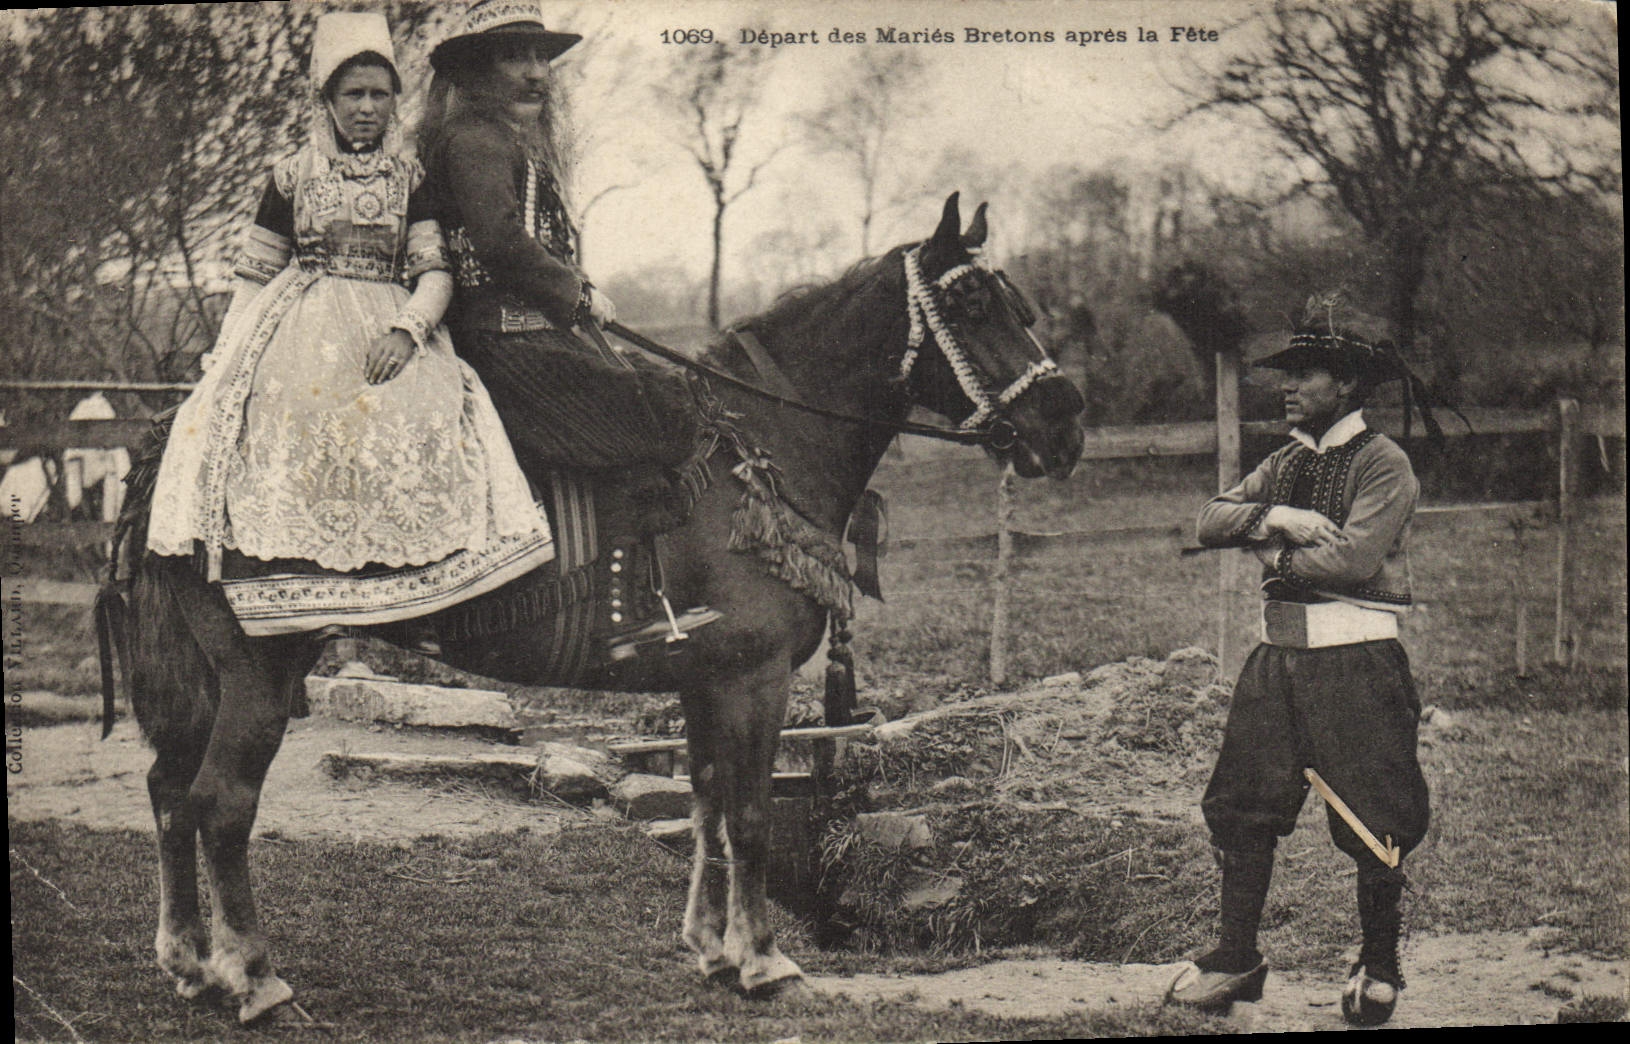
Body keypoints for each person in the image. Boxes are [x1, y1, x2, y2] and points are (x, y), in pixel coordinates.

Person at [146, 12, 553, 651]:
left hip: (390, 316)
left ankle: (410, 594)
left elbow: (435, 273)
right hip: (300, 319)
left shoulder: (411, 178)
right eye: (353, 94)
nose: (367, 108)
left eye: (380, 94)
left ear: (396, 101)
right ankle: (296, 578)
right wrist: (226, 360)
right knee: (285, 412)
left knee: (426, 411)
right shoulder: (289, 176)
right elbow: (255, 276)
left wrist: (407, 329)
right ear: (327, 101)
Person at [1167, 293, 1431, 1026]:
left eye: (1306, 374)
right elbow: (1209, 517)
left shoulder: (1385, 463)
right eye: (1287, 375)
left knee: (1374, 819)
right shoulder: (1283, 463)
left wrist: (1267, 547)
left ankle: (1379, 968)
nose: (1287, 387)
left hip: (1356, 665)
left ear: (1345, 385)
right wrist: (1273, 514)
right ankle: (1235, 958)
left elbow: (1352, 561)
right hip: (1274, 663)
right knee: (1241, 808)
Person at [419, 0, 714, 653]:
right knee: (643, 412)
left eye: (541, 59)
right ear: (476, 69)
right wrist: (574, 291)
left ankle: (655, 587)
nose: (536, 75)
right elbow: (497, 241)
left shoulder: (510, 143)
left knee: (666, 394)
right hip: (500, 341)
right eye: (515, 57)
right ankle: (618, 612)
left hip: (540, 336)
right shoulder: (474, 140)